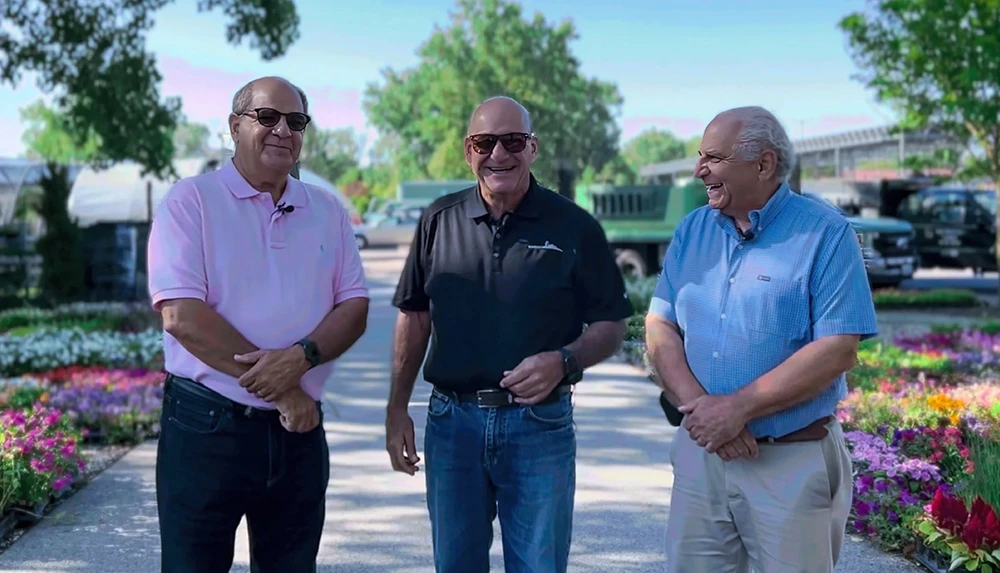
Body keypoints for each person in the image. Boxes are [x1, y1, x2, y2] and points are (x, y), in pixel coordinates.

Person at [384, 95, 632, 573]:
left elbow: (610, 325)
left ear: (533, 148)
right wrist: (397, 408)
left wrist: (564, 361)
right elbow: (414, 317)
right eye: (485, 142)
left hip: (539, 427)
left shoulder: (574, 226)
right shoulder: (438, 220)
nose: (499, 154)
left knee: (539, 566)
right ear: (468, 150)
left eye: (513, 141)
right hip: (451, 424)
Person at [147, 76, 369, 573]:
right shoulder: (190, 202)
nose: (282, 130)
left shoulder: (328, 210)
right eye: (267, 117)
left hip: (300, 434)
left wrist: (302, 358)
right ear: (234, 126)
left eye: (296, 121)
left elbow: (354, 308)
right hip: (206, 428)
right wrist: (283, 389)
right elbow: (182, 316)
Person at [645, 106, 878, 573]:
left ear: (764, 164)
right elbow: (659, 326)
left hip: (788, 462)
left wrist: (739, 409)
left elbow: (838, 349)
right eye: (699, 156)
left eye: (713, 157)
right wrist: (706, 412)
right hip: (702, 458)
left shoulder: (826, 234)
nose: (698, 171)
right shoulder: (693, 230)